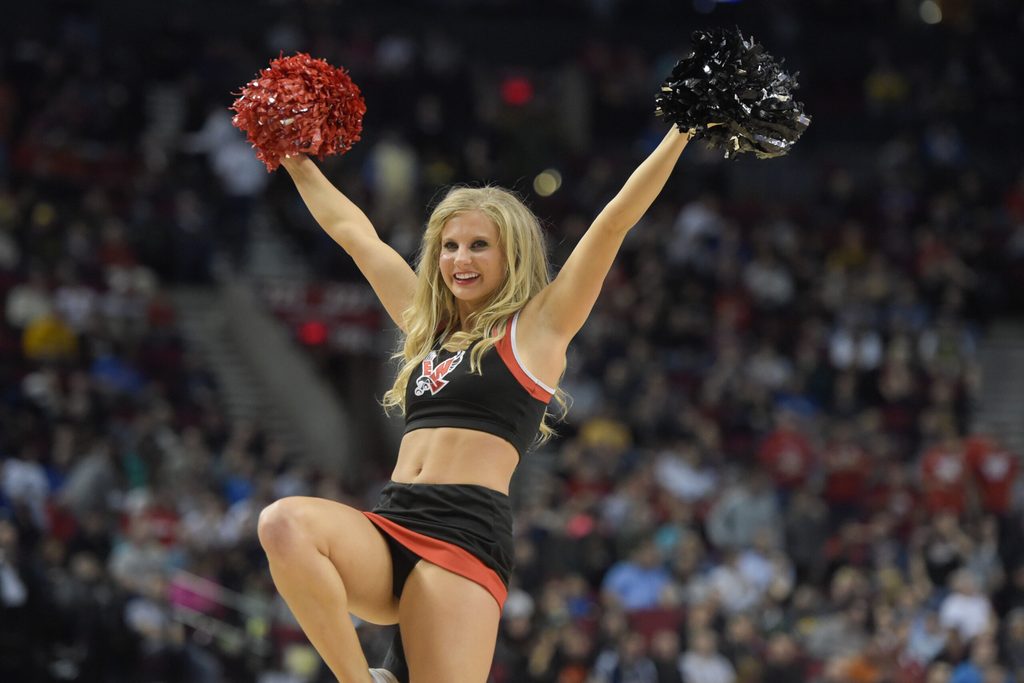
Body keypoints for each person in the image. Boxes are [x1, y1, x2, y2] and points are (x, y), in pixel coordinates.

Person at [255, 122, 696, 682]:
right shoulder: (425, 325)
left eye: (479, 245)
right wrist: (292, 158)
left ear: (512, 254)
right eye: (450, 246)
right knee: (284, 524)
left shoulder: (539, 329)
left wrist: (680, 133)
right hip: (391, 522)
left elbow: (614, 222)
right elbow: (353, 232)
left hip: (463, 538)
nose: (460, 258)